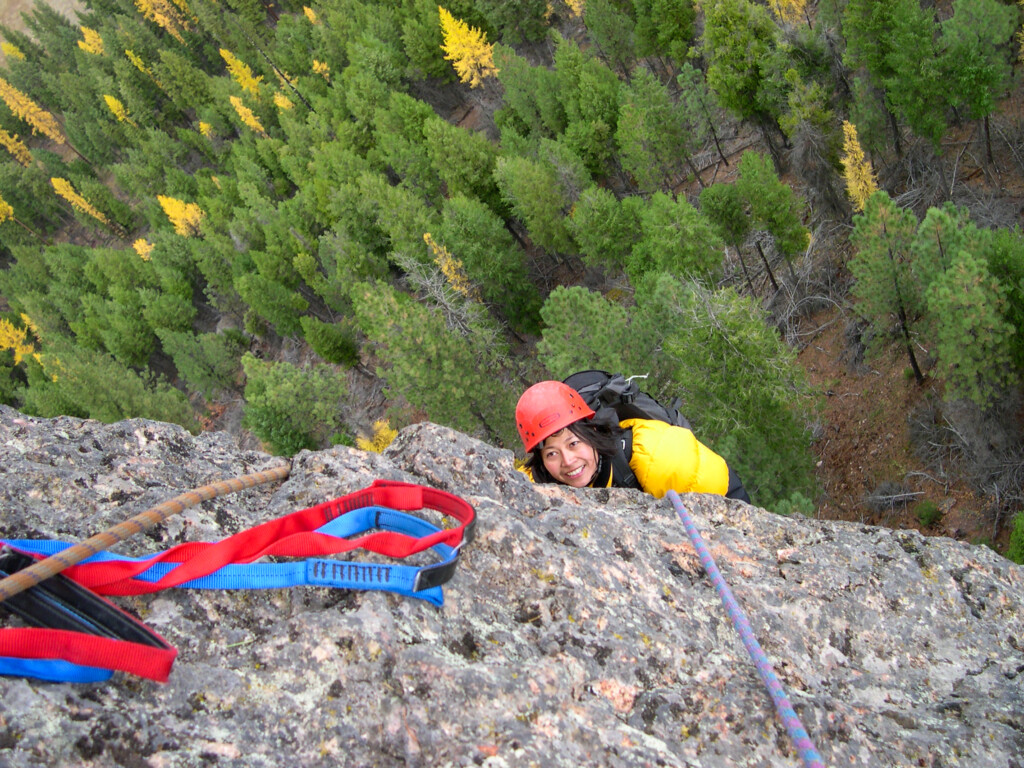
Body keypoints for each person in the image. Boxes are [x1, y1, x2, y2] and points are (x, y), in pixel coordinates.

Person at [515, 380, 750, 502]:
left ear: (593, 432)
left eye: (573, 443)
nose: (567, 461)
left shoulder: (657, 456)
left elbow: (732, 503)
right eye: (551, 453)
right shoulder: (537, 479)